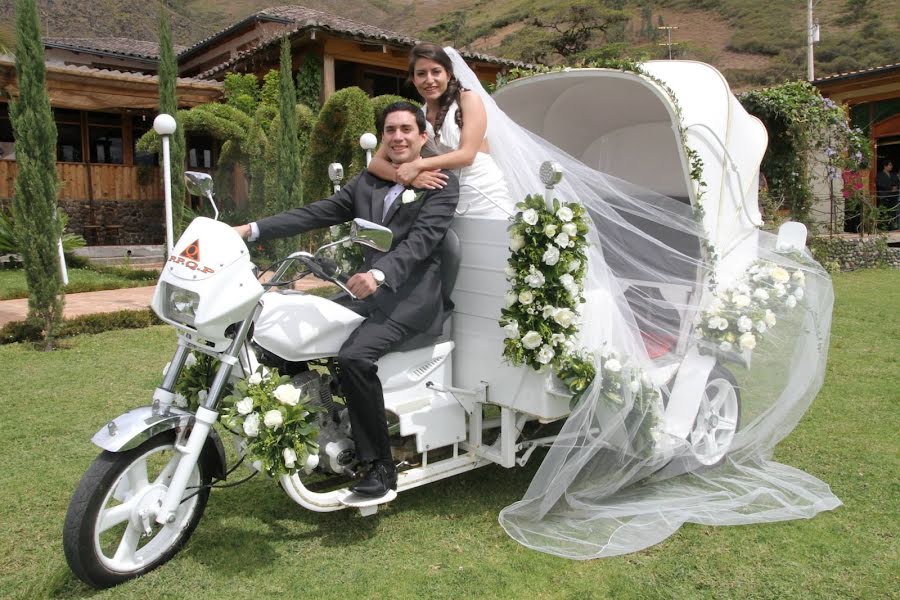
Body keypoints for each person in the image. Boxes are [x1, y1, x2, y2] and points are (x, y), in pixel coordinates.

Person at [234, 102, 460, 497]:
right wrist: (251, 230)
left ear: (423, 137)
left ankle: (380, 466)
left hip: (414, 299)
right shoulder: (368, 183)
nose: (398, 136)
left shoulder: (440, 182)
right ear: (383, 137)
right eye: (391, 130)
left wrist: (378, 273)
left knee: (354, 357)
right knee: (283, 338)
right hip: (369, 294)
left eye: (407, 129)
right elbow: (315, 213)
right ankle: (318, 427)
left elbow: (423, 242)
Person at [367, 43, 513, 216]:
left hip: (484, 192)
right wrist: (405, 176)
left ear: (448, 74)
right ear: (414, 80)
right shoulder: (417, 117)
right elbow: (375, 163)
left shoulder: (468, 100)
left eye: (436, 72)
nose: (429, 80)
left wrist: (418, 165)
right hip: (442, 195)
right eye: (421, 74)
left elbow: (467, 155)